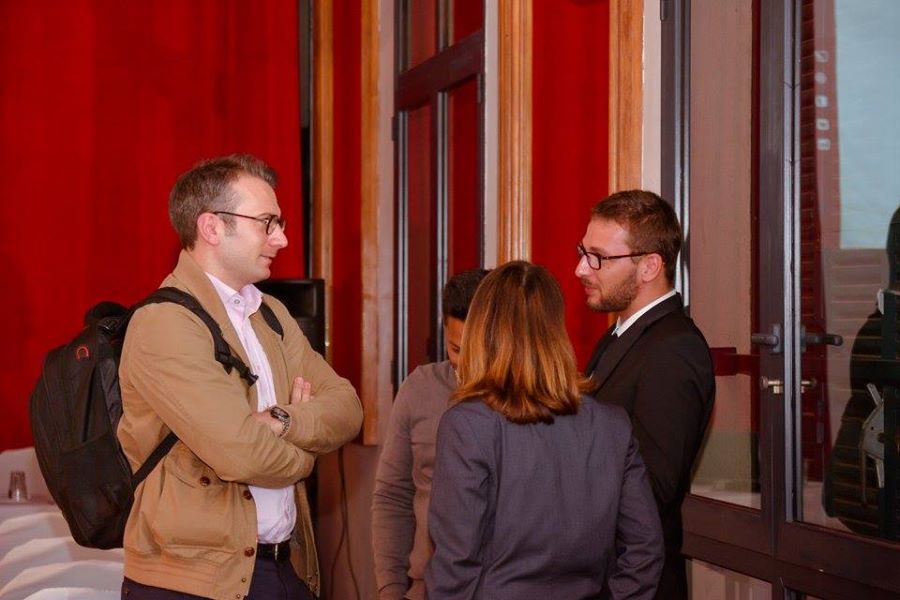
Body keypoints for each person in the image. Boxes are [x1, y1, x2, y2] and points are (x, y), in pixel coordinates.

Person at [117, 154, 363, 599]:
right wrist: (306, 456)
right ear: (212, 227)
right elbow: (244, 455)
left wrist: (283, 421)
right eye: (267, 223)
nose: (282, 239)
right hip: (192, 584)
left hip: (284, 568)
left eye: (279, 223)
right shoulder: (164, 323)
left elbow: (348, 408)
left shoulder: (271, 314)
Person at [426, 261, 664, 599]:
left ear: (482, 332)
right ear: (555, 331)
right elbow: (645, 551)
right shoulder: (612, 425)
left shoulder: (467, 425)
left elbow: (455, 566)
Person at [576, 189, 715, 599]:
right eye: (583, 252)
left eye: (599, 257)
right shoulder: (620, 335)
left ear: (650, 266)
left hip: (633, 582)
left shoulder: (675, 348)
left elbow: (653, 489)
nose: (581, 268)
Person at [371, 268, 488, 600]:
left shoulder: (525, 401)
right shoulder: (420, 387)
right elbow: (393, 495)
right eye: (456, 349)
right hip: (425, 587)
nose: (467, 365)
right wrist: (391, 589)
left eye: (479, 351)